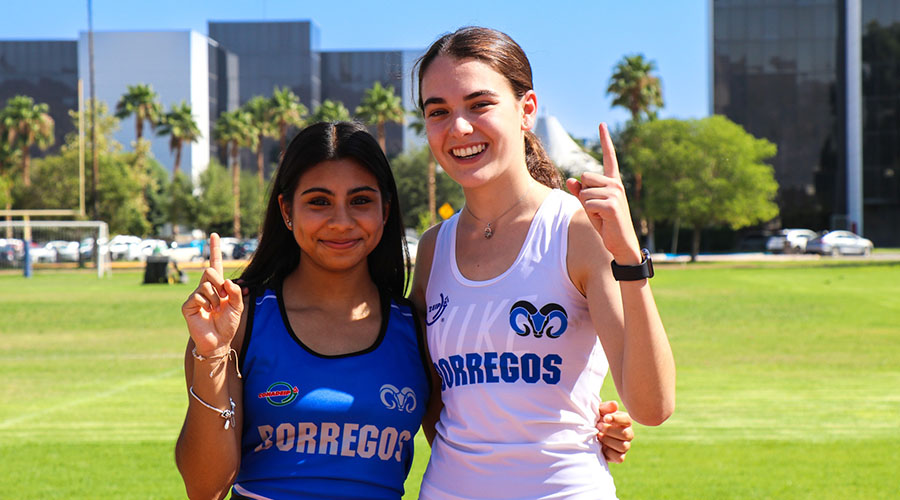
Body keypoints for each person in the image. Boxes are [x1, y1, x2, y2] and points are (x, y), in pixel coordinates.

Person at [174, 121, 634, 499]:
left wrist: (584, 422)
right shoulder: (242, 319)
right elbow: (205, 486)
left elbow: (468, 432)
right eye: (318, 202)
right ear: (287, 210)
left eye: (360, 201)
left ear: (385, 211)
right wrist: (211, 354)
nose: (341, 221)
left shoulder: (414, 324)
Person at [410, 27, 676, 499]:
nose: (460, 128)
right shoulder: (432, 249)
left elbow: (652, 406)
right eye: (439, 111)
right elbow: (433, 400)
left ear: (526, 109)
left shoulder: (576, 230)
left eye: (479, 104)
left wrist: (629, 257)